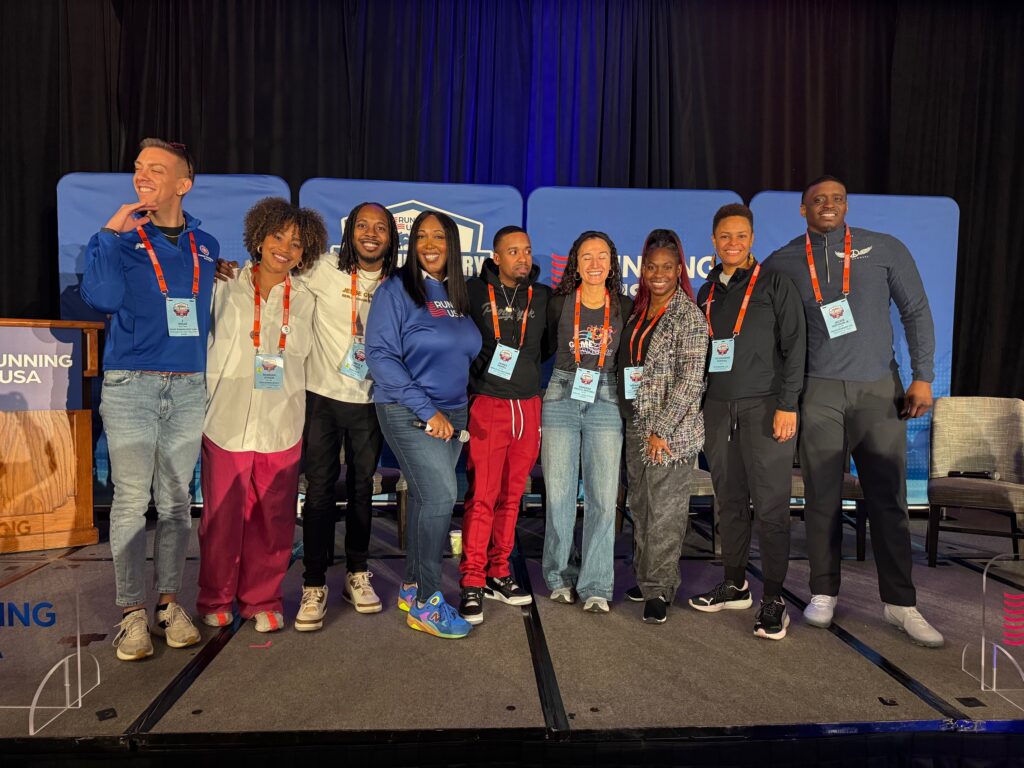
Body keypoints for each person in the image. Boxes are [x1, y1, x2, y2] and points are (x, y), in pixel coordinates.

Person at [763, 175, 943, 647]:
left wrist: (923, 376)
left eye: (837, 199)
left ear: (846, 206)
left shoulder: (884, 248)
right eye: (818, 200)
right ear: (803, 209)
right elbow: (766, 326)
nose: (829, 205)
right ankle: (823, 591)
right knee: (821, 497)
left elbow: (916, 311)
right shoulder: (782, 260)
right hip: (818, 391)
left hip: (877, 389)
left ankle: (901, 603)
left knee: (889, 498)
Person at [81, 138, 216, 661]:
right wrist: (109, 231)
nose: (142, 175)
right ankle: (131, 613)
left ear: (184, 184)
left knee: (178, 502)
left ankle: (167, 604)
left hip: (187, 386)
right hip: (131, 385)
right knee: (132, 502)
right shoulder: (121, 240)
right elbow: (104, 297)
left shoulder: (206, 245)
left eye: (156, 169)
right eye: (139, 168)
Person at [198, 198, 326, 632]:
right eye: (277, 236)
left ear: (305, 255)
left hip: (282, 424)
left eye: (296, 243)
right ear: (258, 238)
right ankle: (215, 596)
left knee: (274, 520)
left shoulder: (307, 300)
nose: (285, 248)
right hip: (226, 421)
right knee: (221, 519)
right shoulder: (223, 284)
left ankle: (262, 599)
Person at [688, 204, 806, 640]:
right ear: (713, 240)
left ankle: (773, 598)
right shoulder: (706, 291)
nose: (732, 243)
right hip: (718, 410)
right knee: (730, 502)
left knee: (771, 507)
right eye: (725, 236)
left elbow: (796, 347)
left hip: (766, 408)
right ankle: (735, 584)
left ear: (752, 239)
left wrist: (788, 404)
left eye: (740, 235)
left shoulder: (774, 283)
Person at [365, 210, 482, 638]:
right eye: (421, 237)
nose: (430, 245)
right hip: (409, 410)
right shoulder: (396, 289)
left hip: (453, 413)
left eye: (439, 237)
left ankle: (413, 587)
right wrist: (427, 410)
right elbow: (380, 356)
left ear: (453, 244)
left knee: (423, 498)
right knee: (440, 496)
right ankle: (430, 604)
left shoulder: (456, 293)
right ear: (411, 244)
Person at [295, 203, 399, 630]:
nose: (371, 233)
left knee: (361, 490)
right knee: (319, 491)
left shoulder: (398, 283)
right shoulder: (322, 268)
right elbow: (273, 271)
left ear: (391, 237)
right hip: (322, 397)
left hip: (370, 401)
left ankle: (357, 572)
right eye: (362, 225)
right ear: (349, 231)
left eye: (380, 227)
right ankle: (314, 582)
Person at [458, 226, 551, 624]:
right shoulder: (472, 292)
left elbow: (546, 346)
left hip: (528, 406)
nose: (522, 258)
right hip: (488, 404)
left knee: (512, 497)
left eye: (526, 250)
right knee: (483, 495)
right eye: (513, 251)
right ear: (496, 258)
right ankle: (472, 580)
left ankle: (499, 572)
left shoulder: (542, 296)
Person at [616, 229, 706, 624]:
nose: (658, 274)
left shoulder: (688, 316)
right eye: (652, 267)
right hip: (636, 424)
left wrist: (662, 430)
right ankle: (645, 576)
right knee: (642, 506)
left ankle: (660, 589)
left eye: (667, 267)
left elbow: (690, 382)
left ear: (679, 269)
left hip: (670, 433)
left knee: (666, 512)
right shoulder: (639, 311)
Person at [541, 231, 632, 613]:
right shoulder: (558, 303)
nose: (595, 264)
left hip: (606, 398)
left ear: (612, 263)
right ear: (575, 264)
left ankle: (596, 583)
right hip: (562, 394)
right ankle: (559, 576)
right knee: (559, 494)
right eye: (586, 257)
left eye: (602, 256)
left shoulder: (626, 306)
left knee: (602, 497)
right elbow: (540, 348)